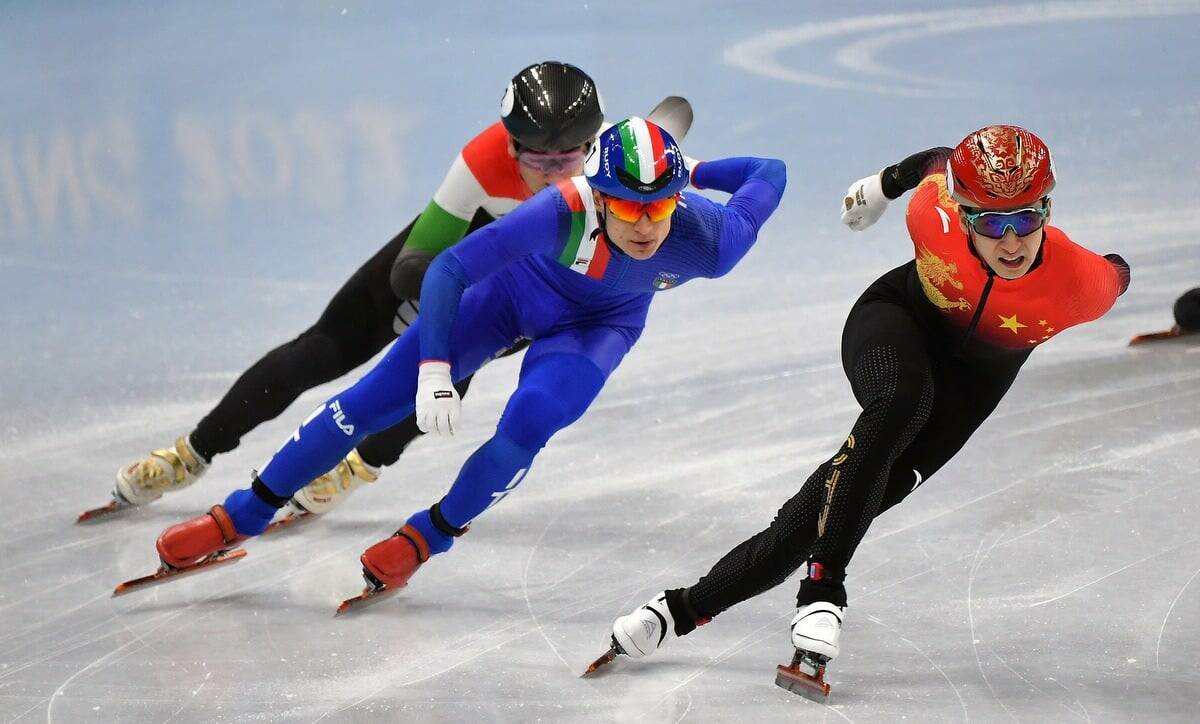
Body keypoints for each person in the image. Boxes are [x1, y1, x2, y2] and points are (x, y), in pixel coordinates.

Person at [145, 117, 787, 598]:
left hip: (598, 324)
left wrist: (697, 173)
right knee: (373, 401)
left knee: (532, 419)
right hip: (511, 297)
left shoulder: (712, 240)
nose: (646, 226)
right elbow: (451, 268)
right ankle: (243, 514)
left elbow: (771, 171)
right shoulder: (558, 213)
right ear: (597, 198)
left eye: (661, 204)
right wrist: (432, 369)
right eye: (625, 206)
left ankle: (429, 535)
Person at [601, 125, 1130, 694]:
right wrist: (880, 187)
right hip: (895, 321)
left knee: (813, 517)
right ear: (961, 209)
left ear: (1046, 209)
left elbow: (1118, 274)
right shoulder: (933, 211)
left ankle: (676, 611)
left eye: (1025, 219)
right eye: (990, 221)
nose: (1010, 241)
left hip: (968, 392)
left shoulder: (1082, 284)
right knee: (902, 402)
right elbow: (935, 161)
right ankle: (824, 593)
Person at [101, 61, 605, 518]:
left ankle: (360, 465)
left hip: (534, 271)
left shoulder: (618, 164)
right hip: (464, 246)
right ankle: (192, 452)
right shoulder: (481, 161)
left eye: (567, 161)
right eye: (538, 161)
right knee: (322, 349)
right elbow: (412, 263)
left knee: (447, 371)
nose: (552, 176)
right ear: (511, 144)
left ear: (589, 147)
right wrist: (433, 298)